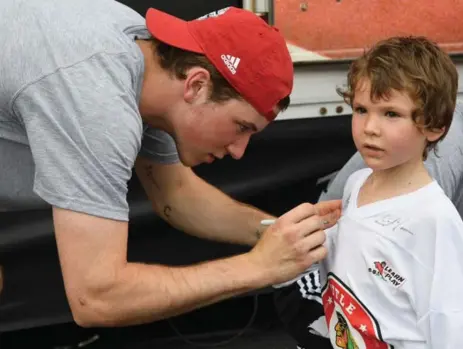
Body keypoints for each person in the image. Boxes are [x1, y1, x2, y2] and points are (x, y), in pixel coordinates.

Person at [0, 0, 342, 328]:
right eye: (241, 127)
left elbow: (176, 194)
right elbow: (96, 297)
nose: (239, 151)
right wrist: (259, 267)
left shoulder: (142, 58)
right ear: (196, 84)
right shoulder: (97, 102)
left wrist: (282, 234)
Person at [274, 36, 463, 348]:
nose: (370, 127)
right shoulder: (356, 184)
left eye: (391, 114)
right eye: (361, 109)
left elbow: (449, 326)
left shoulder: (435, 220)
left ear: (435, 126)